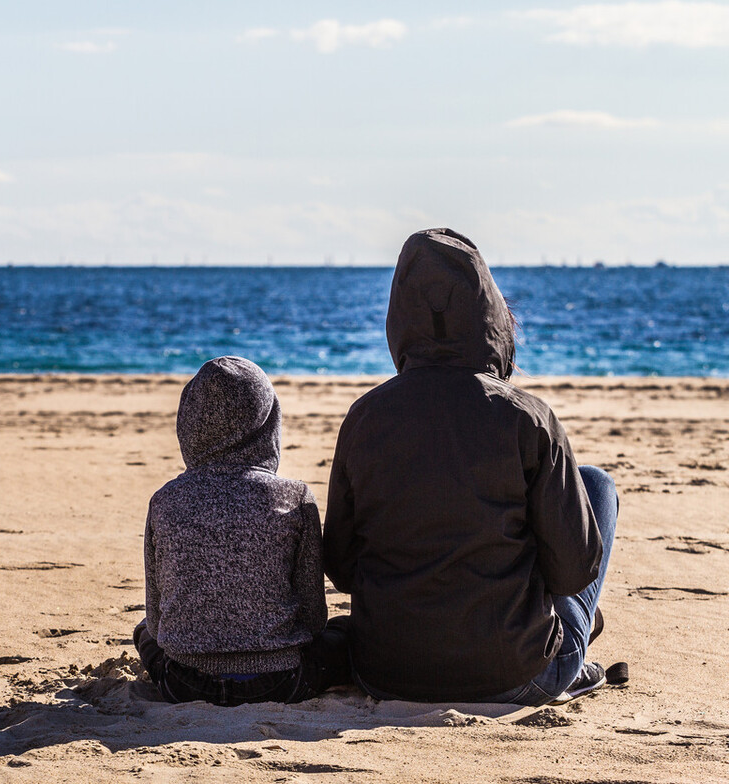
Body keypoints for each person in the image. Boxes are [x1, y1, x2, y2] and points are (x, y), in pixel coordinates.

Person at [322, 228, 618, 705]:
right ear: (492, 315)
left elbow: (341, 565)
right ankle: (569, 657)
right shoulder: (528, 418)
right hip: (514, 673)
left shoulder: (365, 417)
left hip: (384, 671)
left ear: (398, 319)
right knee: (596, 485)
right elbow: (572, 572)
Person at [134, 355, 350, 706]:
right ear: (270, 423)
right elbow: (313, 620)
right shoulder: (296, 497)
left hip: (184, 684)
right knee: (344, 634)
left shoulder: (164, 501)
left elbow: (158, 625)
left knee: (142, 631)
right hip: (279, 683)